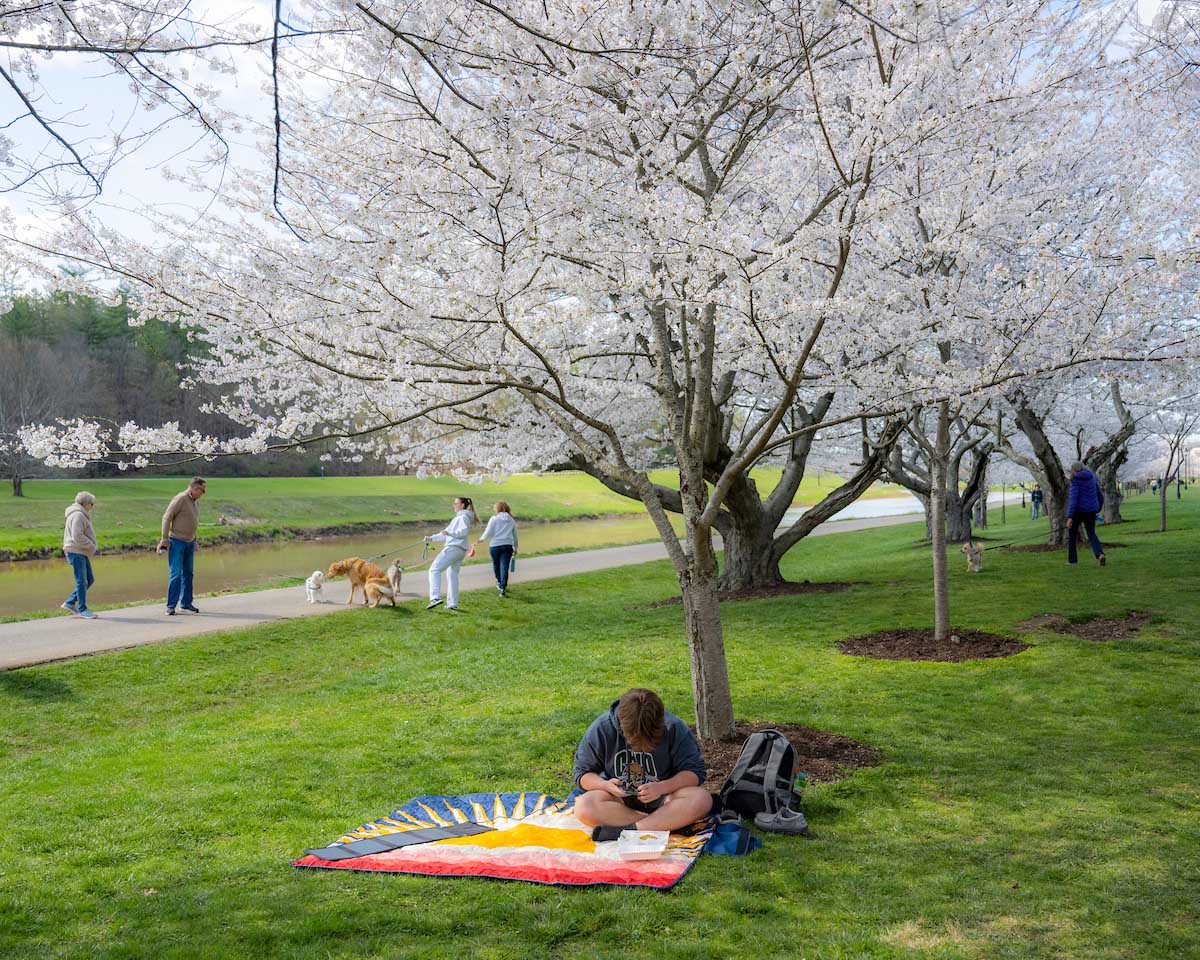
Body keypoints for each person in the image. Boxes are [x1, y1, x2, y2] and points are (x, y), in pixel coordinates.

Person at [572, 688, 712, 838]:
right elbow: (582, 774)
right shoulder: (602, 728)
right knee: (584, 807)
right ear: (621, 723)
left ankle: (627, 830)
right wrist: (605, 785)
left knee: (701, 799)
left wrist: (662, 787)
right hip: (618, 802)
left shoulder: (674, 727)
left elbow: (695, 773)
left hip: (666, 799)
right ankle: (665, 825)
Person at [157, 476, 206, 615]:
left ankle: (186, 603)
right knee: (176, 574)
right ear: (195, 488)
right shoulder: (181, 498)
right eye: (203, 490)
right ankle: (171, 606)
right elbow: (167, 518)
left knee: (188, 573)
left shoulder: (194, 502)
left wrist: (195, 540)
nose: (204, 493)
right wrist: (164, 539)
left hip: (189, 542)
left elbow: (192, 522)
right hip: (177, 541)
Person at [425, 496, 476, 610]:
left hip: (454, 548)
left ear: (462, 505)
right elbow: (445, 533)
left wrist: (450, 533)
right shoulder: (459, 518)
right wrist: (431, 538)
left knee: (434, 569)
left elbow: (462, 532)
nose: (454, 505)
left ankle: (435, 597)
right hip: (459, 549)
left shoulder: (463, 517)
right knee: (452, 575)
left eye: (456, 503)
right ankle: (452, 604)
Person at [62, 491, 99, 619]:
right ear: (85, 503)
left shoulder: (81, 514)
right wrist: (91, 546)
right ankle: (83, 609)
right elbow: (77, 536)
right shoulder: (78, 515)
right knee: (82, 581)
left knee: (89, 579)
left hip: (80, 551)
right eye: (91, 504)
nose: (92, 506)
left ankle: (70, 602)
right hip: (76, 551)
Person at [471, 500, 518, 597]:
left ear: (498, 509)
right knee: (505, 567)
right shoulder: (511, 520)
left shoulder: (494, 519)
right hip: (507, 546)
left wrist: (480, 540)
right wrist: (515, 547)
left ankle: (499, 582)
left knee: (496, 565)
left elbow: (488, 531)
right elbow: (515, 535)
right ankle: (503, 588)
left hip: (495, 546)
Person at [1066, 462, 1106, 567]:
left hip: (1078, 511)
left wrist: (1070, 516)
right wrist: (1098, 508)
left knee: (1072, 535)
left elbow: (1073, 499)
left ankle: (1072, 561)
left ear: (1074, 470)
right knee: (1091, 533)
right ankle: (1100, 554)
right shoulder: (1092, 478)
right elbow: (1100, 495)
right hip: (1091, 510)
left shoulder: (1075, 480)